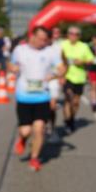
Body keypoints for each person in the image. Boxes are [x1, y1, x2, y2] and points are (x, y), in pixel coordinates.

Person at [10, 25, 64, 172]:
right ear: (32, 36)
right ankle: (22, 139)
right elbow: (11, 64)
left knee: (39, 129)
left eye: (45, 40)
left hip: (42, 97)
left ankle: (34, 159)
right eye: (40, 39)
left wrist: (54, 75)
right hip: (24, 97)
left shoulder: (50, 52)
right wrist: (13, 68)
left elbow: (62, 68)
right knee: (26, 131)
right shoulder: (20, 50)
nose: (42, 42)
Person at [60, 26, 94, 134]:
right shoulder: (62, 44)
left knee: (75, 102)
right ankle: (67, 121)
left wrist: (82, 62)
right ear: (67, 34)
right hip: (67, 76)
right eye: (71, 33)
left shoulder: (84, 46)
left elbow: (91, 60)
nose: (73, 36)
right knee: (68, 98)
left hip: (79, 78)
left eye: (76, 34)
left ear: (79, 36)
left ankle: (71, 119)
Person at [46, 26, 64, 141]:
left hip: (53, 79)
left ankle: (52, 129)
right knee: (41, 106)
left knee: (52, 106)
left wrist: (61, 75)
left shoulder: (59, 47)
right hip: (39, 81)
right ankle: (40, 129)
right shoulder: (38, 47)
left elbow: (64, 63)